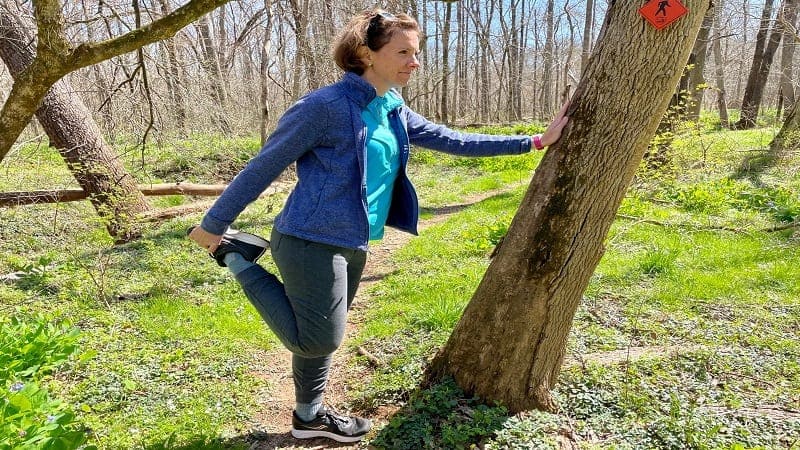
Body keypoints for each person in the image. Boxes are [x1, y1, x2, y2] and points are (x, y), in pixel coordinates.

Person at [188, 8, 569, 443]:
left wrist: (533, 141)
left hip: (354, 241)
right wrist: (214, 224)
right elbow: (264, 166)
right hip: (308, 239)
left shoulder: (391, 106)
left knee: (320, 330)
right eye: (403, 52)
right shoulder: (323, 107)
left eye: (417, 52)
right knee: (319, 339)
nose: (415, 62)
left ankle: (308, 416)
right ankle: (235, 255)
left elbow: (450, 139)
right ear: (367, 54)